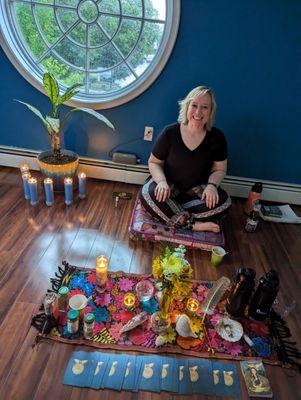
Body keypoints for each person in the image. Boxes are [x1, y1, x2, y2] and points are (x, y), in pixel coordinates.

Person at [139, 86, 231, 233]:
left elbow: (220, 169)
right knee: (146, 194)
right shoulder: (170, 132)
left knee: (224, 202)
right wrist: (162, 182)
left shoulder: (217, 137)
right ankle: (193, 225)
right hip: (169, 189)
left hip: (197, 192)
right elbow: (154, 162)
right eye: (194, 105)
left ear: (211, 111)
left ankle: (175, 215)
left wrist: (212, 185)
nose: (198, 112)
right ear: (187, 107)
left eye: (205, 107)